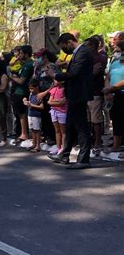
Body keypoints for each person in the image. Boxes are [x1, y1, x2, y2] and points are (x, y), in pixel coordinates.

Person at [49, 33, 93, 169]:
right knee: (70, 126)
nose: (63, 51)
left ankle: (84, 159)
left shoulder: (83, 52)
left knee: (81, 127)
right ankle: (64, 154)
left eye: (63, 47)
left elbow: (74, 73)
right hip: (74, 94)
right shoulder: (78, 53)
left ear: (69, 42)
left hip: (79, 94)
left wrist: (55, 75)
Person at [84, 37, 107, 155]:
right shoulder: (85, 58)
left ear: (93, 46)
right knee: (87, 119)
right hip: (85, 91)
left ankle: (98, 141)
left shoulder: (101, 57)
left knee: (96, 119)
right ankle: (89, 140)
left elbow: (94, 73)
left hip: (96, 92)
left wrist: (86, 74)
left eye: (87, 45)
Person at [103, 42, 124, 158]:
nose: (118, 53)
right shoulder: (115, 63)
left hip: (121, 93)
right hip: (113, 95)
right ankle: (116, 145)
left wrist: (112, 88)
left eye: (120, 51)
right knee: (116, 120)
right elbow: (108, 76)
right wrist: (108, 89)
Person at [10, 45, 34, 142]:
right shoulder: (24, 63)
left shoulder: (28, 65)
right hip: (18, 91)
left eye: (21, 53)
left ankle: (24, 133)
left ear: (26, 54)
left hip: (22, 91)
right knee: (19, 113)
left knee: (22, 113)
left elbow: (21, 81)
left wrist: (11, 77)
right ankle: (22, 132)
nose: (19, 55)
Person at [24, 79, 44, 152]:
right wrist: (25, 100)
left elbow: (42, 107)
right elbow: (27, 99)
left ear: (37, 87)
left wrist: (32, 105)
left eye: (32, 88)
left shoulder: (39, 95)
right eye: (29, 88)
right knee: (32, 129)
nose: (30, 90)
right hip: (30, 114)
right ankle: (34, 143)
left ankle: (38, 145)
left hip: (36, 115)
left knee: (37, 130)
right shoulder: (31, 94)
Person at [48, 79, 67, 155]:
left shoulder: (65, 90)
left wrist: (54, 102)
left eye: (56, 80)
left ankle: (63, 147)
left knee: (63, 131)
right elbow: (49, 101)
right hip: (53, 111)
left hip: (62, 112)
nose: (54, 81)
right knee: (57, 130)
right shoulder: (53, 89)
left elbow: (63, 102)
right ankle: (58, 147)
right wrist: (57, 101)